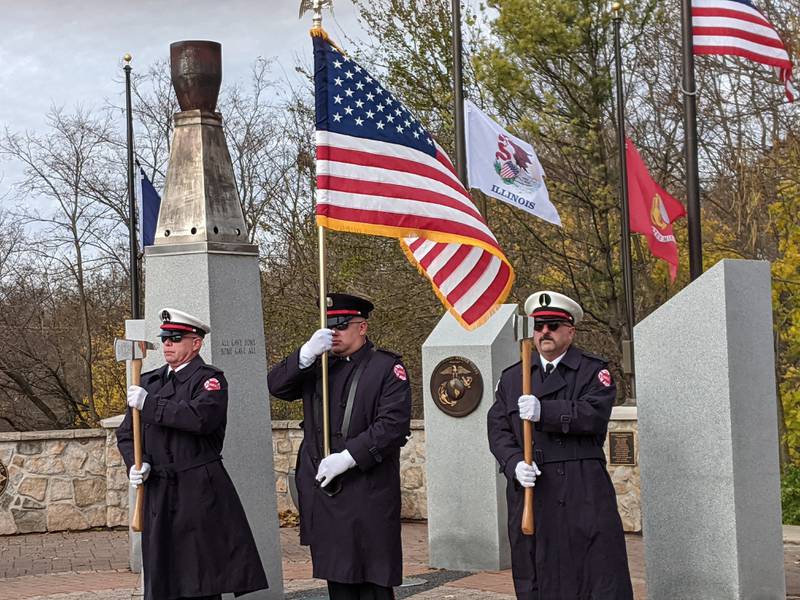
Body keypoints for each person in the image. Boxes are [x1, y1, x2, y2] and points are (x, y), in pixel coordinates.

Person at [487, 291, 633, 600]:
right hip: (532, 491)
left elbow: (594, 415)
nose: (544, 333)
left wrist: (545, 411)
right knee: (535, 578)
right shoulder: (514, 377)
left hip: (581, 490)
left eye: (552, 326)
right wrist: (514, 463)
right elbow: (498, 428)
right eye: (539, 327)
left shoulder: (593, 371)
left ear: (570, 331)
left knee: (592, 578)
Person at [116, 308, 268, 600]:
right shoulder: (149, 381)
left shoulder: (209, 380)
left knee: (200, 577)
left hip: (197, 490)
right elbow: (126, 434)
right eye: (164, 338)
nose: (167, 344)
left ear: (195, 343)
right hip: (159, 490)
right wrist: (137, 462)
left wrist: (150, 405)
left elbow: (200, 419)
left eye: (175, 338)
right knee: (163, 578)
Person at [267, 293, 411, 600]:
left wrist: (349, 457)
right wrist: (304, 355)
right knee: (338, 578)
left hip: (367, 489)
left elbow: (392, 425)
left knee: (373, 581)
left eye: (341, 326)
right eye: (328, 326)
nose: (334, 333)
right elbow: (276, 386)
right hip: (327, 493)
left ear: (362, 327)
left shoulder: (386, 367)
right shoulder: (318, 365)